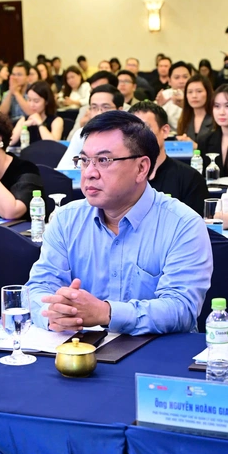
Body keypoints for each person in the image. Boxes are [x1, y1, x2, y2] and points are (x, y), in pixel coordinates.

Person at [27, 110, 212, 335]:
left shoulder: (183, 225)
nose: (89, 173)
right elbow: (39, 287)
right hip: (79, 347)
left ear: (141, 168)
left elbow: (181, 309)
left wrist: (107, 313)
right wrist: (53, 313)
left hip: (155, 352)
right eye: (84, 161)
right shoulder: (66, 219)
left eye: (104, 160)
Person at [130, 102, 209, 215]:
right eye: (132, 130)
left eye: (146, 128)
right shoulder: (121, 177)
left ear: (165, 131)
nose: (138, 136)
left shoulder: (189, 178)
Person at [56, 84, 124, 169]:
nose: (99, 113)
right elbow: (63, 168)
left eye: (106, 107)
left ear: (120, 110)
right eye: (94, 107)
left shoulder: (128, 136)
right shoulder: (81, 134)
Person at [10, 81, 64, 145]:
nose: (31, 104)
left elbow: (53, 145)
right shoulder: (24, 120)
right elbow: (10, 142)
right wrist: (23, 126)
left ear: (46, 101)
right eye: (29, 100)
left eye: (36, 101)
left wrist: (40, 123)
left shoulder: (56, 121)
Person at [176, 74, 214, 144]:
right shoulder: (184, 119)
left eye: (199, 91)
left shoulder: (216, 119)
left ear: (208, 93)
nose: (194, 96)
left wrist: (195, 146)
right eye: (190, 92)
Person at [156, 61, 191, 129]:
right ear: (169, 81)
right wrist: (159, 107)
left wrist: (184, 106)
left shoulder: (196, 95)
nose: (181, 81)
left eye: (185, 77)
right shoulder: (164, 95)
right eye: (177, 77)